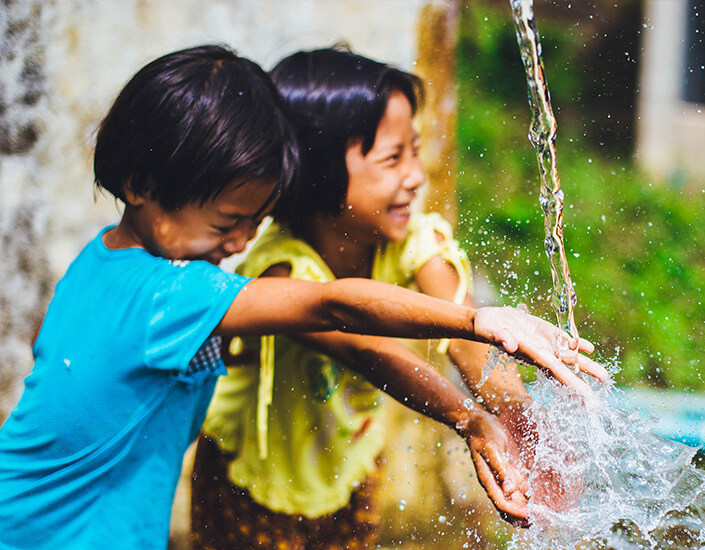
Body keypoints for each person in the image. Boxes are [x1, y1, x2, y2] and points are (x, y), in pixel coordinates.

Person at [0, 44, 607, 550]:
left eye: (252, 221)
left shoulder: (102, 262)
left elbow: (55, 355)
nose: (239, 243)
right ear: (140, 184)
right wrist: (479, 321)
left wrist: (497, 410)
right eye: (225, 224)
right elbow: (334, 307)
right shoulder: (170, 293)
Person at [190, 45, 574, 549]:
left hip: (351, 465)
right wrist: (469, 417)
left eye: (414, 151)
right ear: (318, 171)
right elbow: (367, 349)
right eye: (393, 158)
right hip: (252, 479)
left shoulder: (413, 240)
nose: (415, 176)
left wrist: (521, 423)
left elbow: (470, 339)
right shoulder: (281, 267)